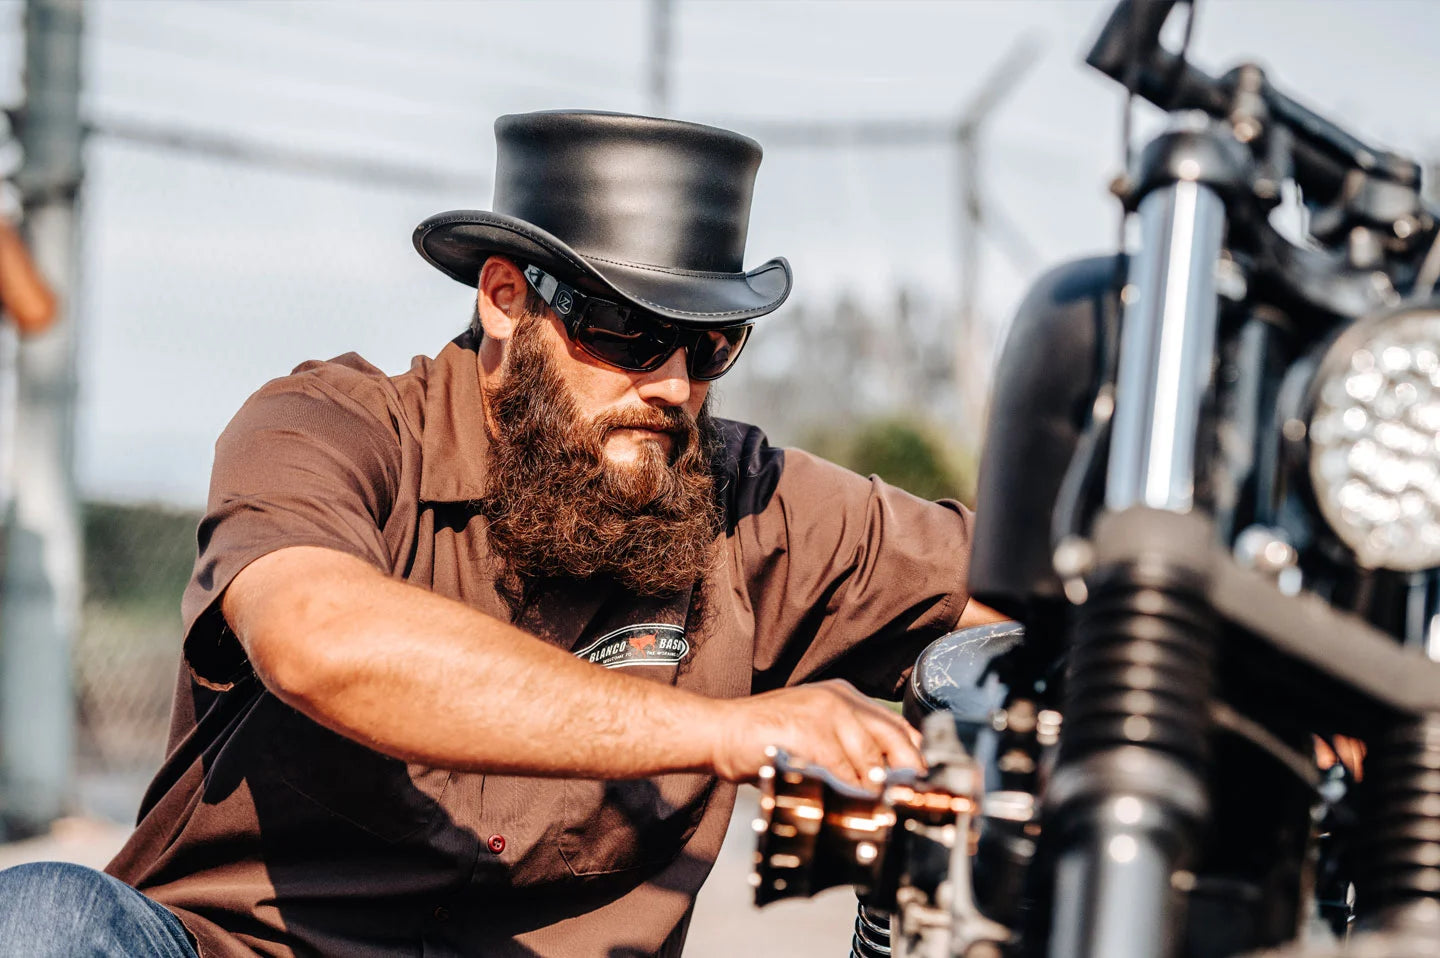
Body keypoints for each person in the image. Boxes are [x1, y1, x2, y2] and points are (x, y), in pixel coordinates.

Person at [0, 111, 1001, 957]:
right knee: (47, 915)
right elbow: (317, 638)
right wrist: (729, 729)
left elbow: (1032, 595)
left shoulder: (745, 499)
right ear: (505, 301)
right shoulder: (331, 427)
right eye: (627, 332)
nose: (671, 386)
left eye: (707, 347)